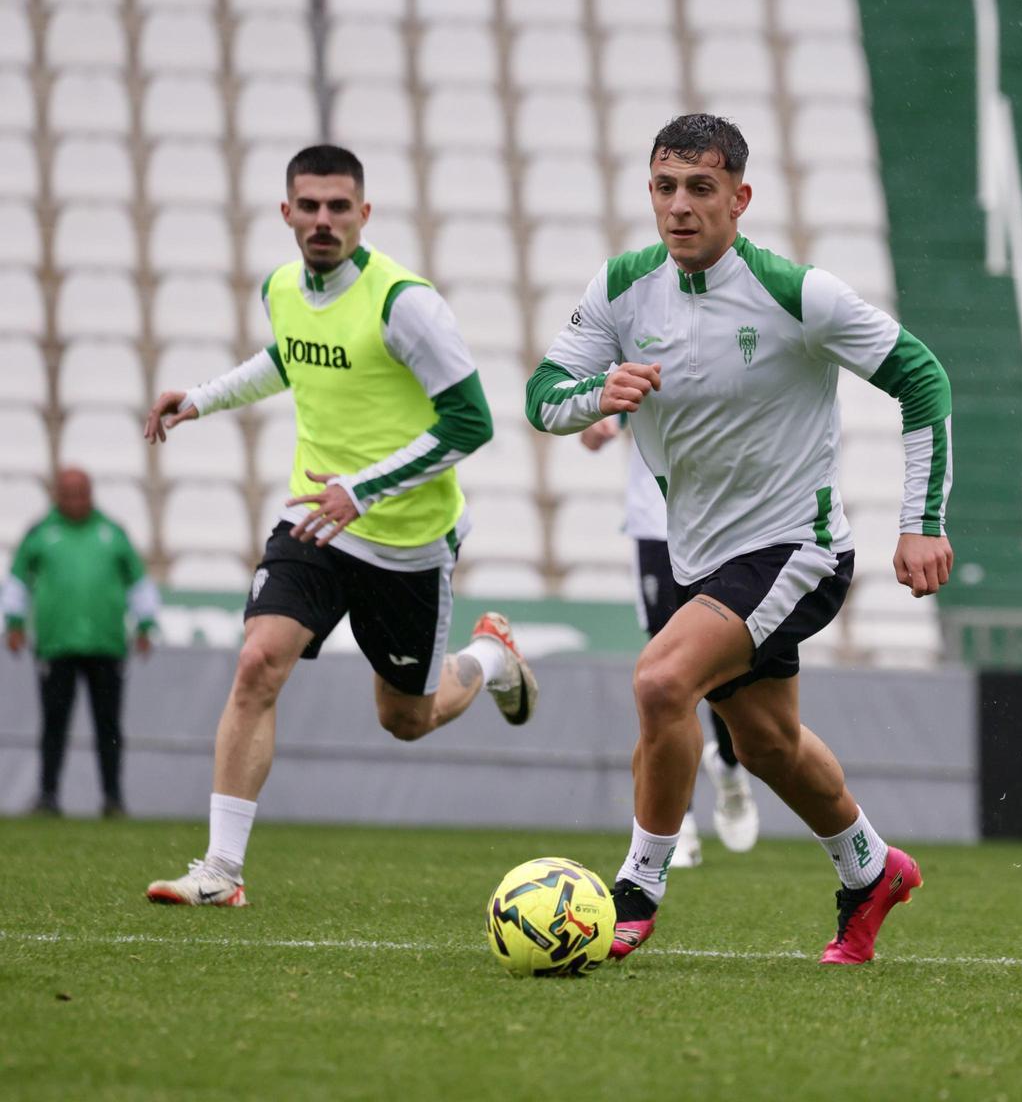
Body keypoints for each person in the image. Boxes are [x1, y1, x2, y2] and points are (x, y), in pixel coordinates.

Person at [526, 114, 953, 965]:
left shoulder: (798, 293)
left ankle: (636, 891)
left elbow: (922, 378)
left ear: (739, 198)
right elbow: (542, 395)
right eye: (664, 187)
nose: (679, 207)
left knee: (659, 681)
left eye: (700, 188)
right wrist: (596, 394)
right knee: (767, 745)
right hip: (703, 558)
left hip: (800, 547)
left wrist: (921, 522)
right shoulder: (621, 286)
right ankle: (872, 869)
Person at [142, 144, 538, 907]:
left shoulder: (405, 303)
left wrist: (365, 488)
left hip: (408, 541)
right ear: (286, 212)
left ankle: (489, 656)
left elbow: (473, 421)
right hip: (315, 523)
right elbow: (291, 359)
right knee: (258, 662)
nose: (324, 220)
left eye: (339, 206)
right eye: (309, 206)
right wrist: (200, 398)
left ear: (365, 212)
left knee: (406, 719)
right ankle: (221, 873)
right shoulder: (283, 287)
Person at [580, 417, 760, 866]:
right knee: (667, 675)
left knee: (721, 672)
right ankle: (679, 823)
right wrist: (596, 425)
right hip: (656, 525)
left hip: (726, 526)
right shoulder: (645, 351)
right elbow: (597, 422)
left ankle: (730, 769)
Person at [2, 467, 159, 818]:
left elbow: (138, 581)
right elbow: (16, 579)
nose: (77, 500)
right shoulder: (41, 533)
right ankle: (47, 796)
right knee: (54, 724)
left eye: (82, 492)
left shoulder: (113, 532)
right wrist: (13, 622)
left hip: (106, 644)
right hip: (56, 645)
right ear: (57, 495)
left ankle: (113, 798)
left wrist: (146, 623)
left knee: (109, 726)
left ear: (91, 493)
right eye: (69, 493)